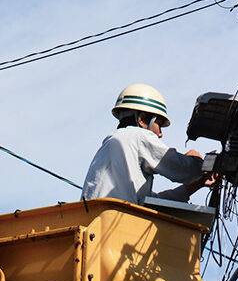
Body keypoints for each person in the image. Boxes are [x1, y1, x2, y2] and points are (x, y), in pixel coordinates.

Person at [82, 83, 213, 205]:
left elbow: (150, 204)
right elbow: (183, 169)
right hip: (116, 220)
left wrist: (195, 185)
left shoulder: (114, 146)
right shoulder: (139, 136)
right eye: (159, 124)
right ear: (142, 119)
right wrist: (198, 162)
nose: (160, 134)